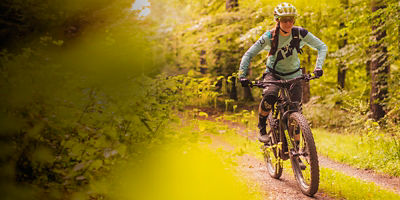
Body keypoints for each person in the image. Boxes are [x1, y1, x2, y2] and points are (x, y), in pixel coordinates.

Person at [238, 2, 327, 143]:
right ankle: (262, 127)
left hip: (295, 74)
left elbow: (322, 46)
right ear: (277, 20)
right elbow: (248, 54)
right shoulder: (269, 36)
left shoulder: (300, 33)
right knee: (270, 95)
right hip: (274, 74)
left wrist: (318, 67)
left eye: (291, 19)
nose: (288, 23)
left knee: (295, 110)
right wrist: (242, 75)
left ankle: (297, 152)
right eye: (284, 20)